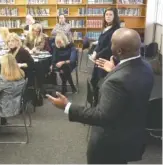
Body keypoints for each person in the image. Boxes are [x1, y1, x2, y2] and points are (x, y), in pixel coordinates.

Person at [47, 28, 154, 164]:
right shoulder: (146, 66)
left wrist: (67, 106)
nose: (110, 46)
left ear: (119, 51)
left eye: (112, 44)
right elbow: (130, 87)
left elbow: (101, 116)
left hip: (110, 144)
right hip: (131, 134)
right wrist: (115, 70)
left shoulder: (117, 81)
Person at [89, 7, 120, 105]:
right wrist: (94, 52)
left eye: (111, 14)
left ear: (115, 16)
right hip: (99, 58)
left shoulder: (116, 29)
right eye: (106, 14)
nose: (108, 16)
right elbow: (100, 43)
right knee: (94, 80)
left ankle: (102, 104)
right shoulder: (106, 27)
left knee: (103, 83)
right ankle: (96, 101)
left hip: (107, 60)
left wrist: (97, 55)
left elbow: (109, 47)